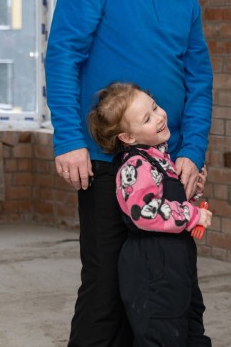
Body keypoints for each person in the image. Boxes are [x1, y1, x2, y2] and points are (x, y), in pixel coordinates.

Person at [45, 0, 213, 347]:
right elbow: (63, 57)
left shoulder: (186, 0)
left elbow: (199, 83)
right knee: (105, 294)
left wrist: (193, 151)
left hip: (164, 169)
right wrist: (68, 139)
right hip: (105, 162)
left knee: (164, 291)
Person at [87, 82, 213, 346]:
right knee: (161, 333)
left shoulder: (160, 158)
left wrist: (191, 195)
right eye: (147, 118)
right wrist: (190, 215)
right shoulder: (135, 165)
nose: (159, 117)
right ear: (128, 138)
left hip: (177, 263)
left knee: (191, 326)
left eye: (155, 107)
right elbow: (143, 211)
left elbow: (165, 201)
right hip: (153, 268)